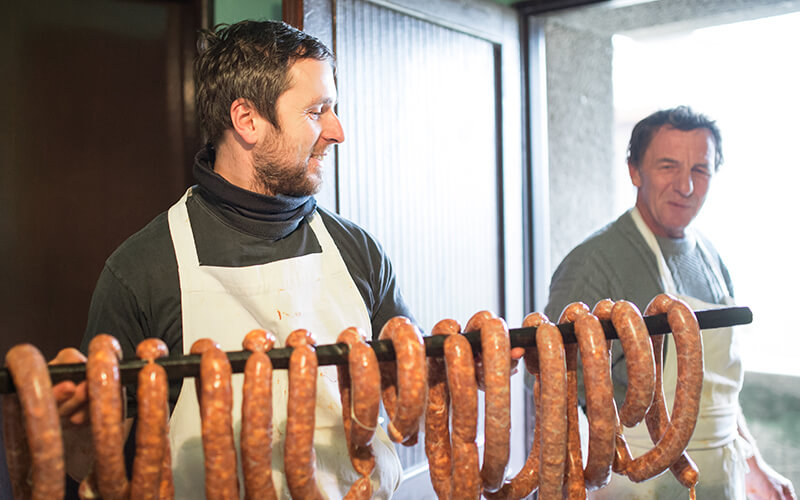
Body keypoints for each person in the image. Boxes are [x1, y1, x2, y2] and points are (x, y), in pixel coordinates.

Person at [52, 20, 414, 499]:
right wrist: (74, 423)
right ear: (247, 121)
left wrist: (471, 369)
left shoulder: (359, 252)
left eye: (334, 109)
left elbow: (409, 405)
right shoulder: (143, 269)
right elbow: (91, 470)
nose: (337, 131)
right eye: (316, 111)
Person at [544, 106, 796, 500]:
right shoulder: (593, 262)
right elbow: (548, 378)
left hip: (721, 476)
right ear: (634, 171)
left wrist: (755, 465)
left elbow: (715, 389)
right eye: (668, 166)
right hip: (638, 482)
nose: (686, 186)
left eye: (700, 169)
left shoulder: (711, 258)